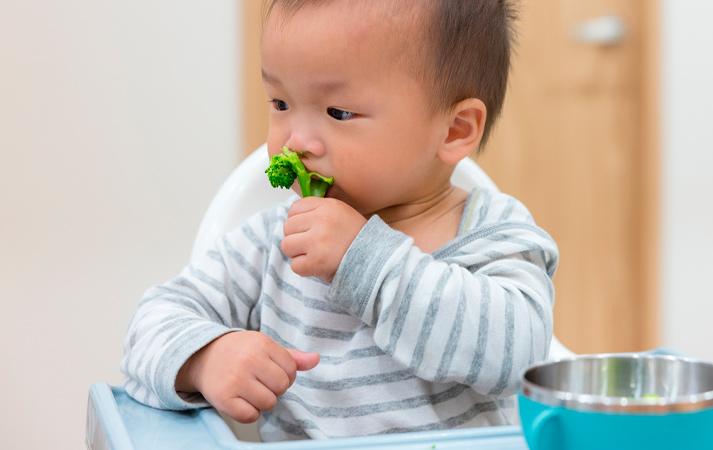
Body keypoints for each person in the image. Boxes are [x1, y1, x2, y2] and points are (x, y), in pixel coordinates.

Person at [121, 0, 558, 441]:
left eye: (339, 112)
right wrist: (205, 358)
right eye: (281, 102)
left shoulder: (491, 231)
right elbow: (150, 325)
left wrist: (365, 261)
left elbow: (519, 355)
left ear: (455, 130)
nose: (297, 140)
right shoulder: (271, 243)